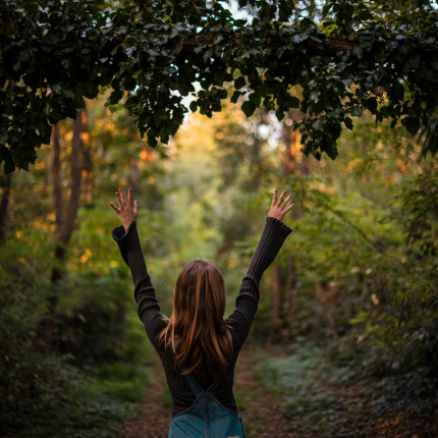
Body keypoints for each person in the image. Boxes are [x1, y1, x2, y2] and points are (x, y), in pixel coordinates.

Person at [110, 188, 294, 437]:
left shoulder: (164, 337)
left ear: (179, 296)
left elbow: (142, 286)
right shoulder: (231, 336)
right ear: (218, 298)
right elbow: (252, 280)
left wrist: (129, 228)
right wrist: (272, 225)